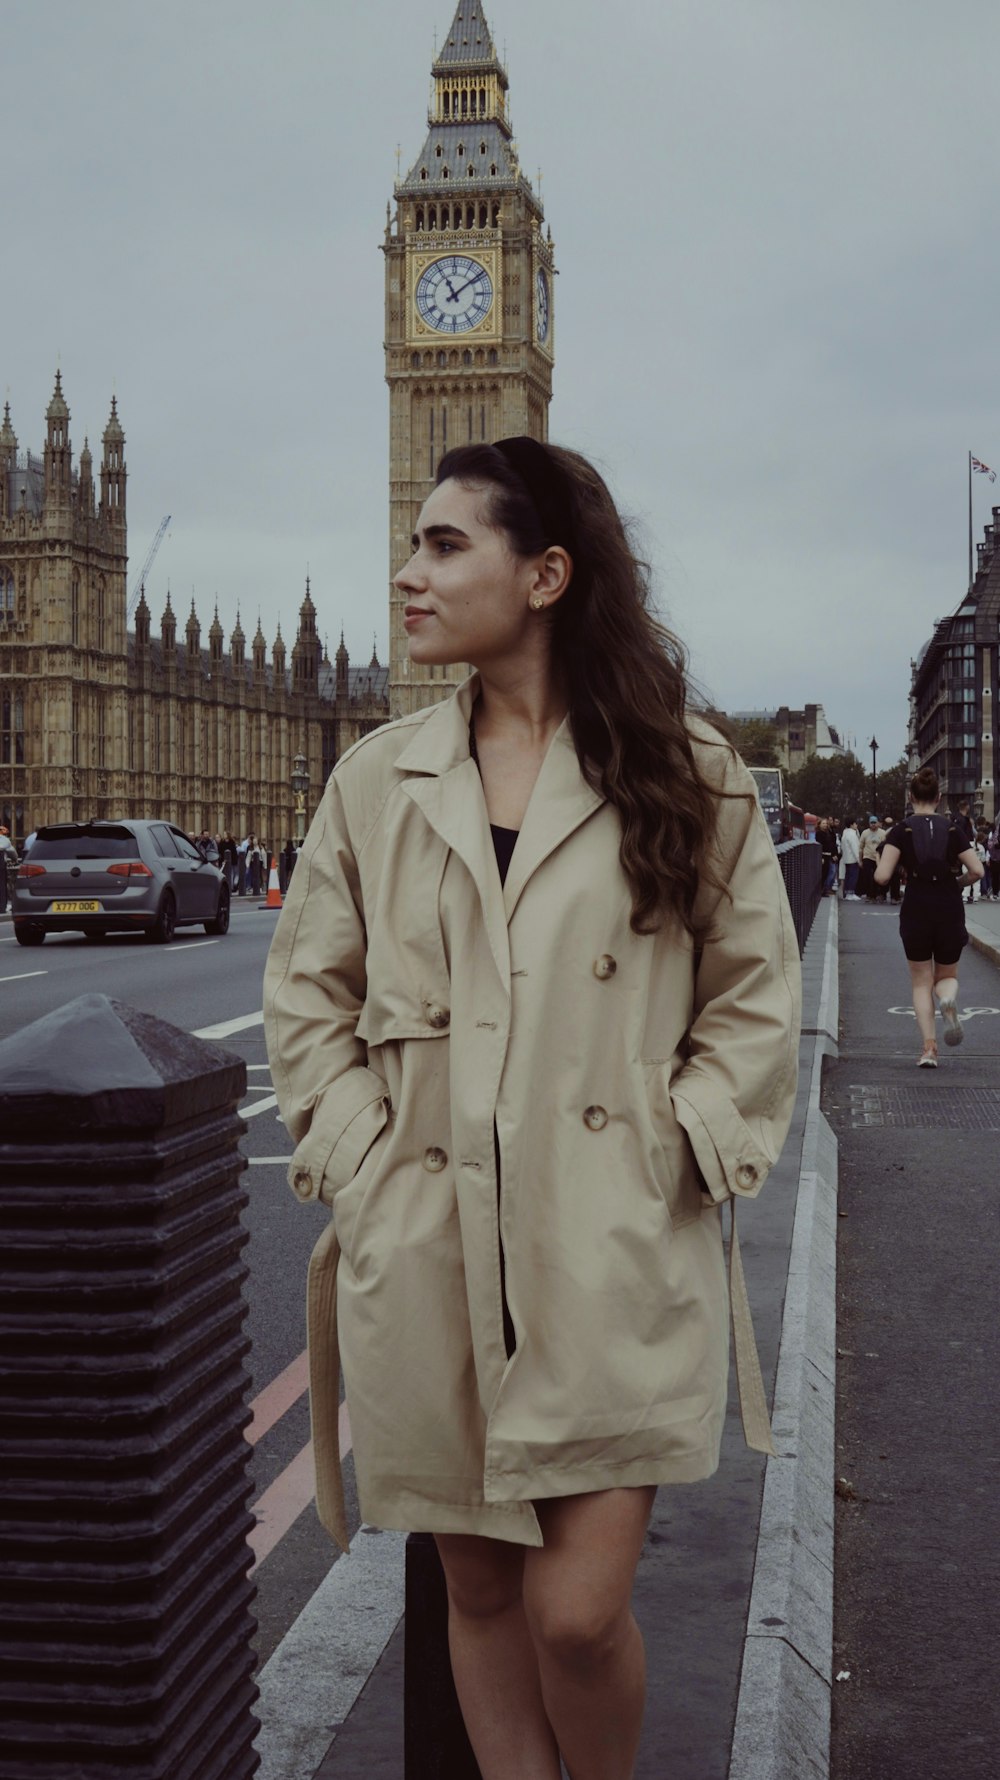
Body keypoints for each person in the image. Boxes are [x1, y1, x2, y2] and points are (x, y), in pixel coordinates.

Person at [263, 437, 802, 1779]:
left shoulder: (687, 770)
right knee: (483, 1596)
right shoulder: (374, 783)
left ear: (547, 574)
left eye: (446, 545)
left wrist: (681, 1151)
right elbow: (305, 1002)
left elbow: (751, 1000)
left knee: (574, 1613)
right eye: (413, 543)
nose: (410, 572)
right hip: (430, 1239)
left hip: (609, 1242)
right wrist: (365, 1170)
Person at [875, 766, 983, 1066]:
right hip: (948, 905)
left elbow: (882, 876)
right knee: (946, 976)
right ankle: (947, 999)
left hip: (917, 905)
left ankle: (929, 1050)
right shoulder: (953, 829)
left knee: (920, 981)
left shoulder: (901, 830)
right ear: (939, 797)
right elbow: (977, 871)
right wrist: (955, 883)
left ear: (911, 797)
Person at [859, 816, 885, 901]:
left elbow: (885, 846)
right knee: (867, 876)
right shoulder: (865, 833)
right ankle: (869, 895)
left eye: (874, 822)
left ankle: (878, 894)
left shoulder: (882, 833)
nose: (873, 825)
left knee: (877, 877)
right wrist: (860, 860)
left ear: (878, 823)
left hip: (878, 858)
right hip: (867, 856)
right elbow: (861, 847)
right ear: (869, 824)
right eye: (871, 823)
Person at [840, 819, 861, 899]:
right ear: (851, 825)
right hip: (853, 858)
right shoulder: (852, 835)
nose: (857, 825)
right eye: (855, 823)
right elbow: (855, 848)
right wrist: (859, 859)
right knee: (853, 876)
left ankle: (846, 893)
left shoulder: (845, 834)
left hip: (846, 858)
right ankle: (851, 893)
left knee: (848, 876)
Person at [817, 817, 838, 896]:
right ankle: (823, 890)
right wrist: (821, 857)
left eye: (826, 823)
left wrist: (834, 854)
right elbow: (820, 846)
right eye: (823, 823)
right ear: (819, 825)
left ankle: (825, 889)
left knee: (829, 872)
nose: (825, 825)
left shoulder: (828, 833)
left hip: (829, 855)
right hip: (824, 855)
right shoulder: (819, 834)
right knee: (825, 873)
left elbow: (832, 844)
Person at [0, 824, 15, 914]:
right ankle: (1, 908)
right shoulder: (5, 840)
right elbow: (12, 852)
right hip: (1, 863)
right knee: (2, 886)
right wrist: (15, 859)